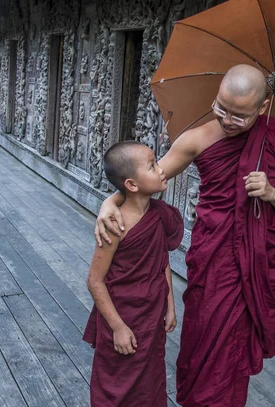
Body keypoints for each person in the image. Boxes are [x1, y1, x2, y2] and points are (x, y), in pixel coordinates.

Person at [94, 64, 275, 407]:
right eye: (221, 108)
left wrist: (272, 193)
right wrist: (110, 201)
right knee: (203, 339)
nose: (228, 120)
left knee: (232, 354)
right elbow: (146, 181)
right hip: (212, 259)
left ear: (262, 107)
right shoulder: (198, 138)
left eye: (240, 116)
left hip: (254, 264)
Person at [84, 140, 184, 407]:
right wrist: (117, 328)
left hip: (150, 315)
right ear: (131, 184)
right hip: (123, 315)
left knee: (149, 384)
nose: (161, 169)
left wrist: (171, 306)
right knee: (116, 385)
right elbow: (94, 281)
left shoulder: (159, 214)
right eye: (152, 166)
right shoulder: (114, 224)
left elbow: (162, 260)